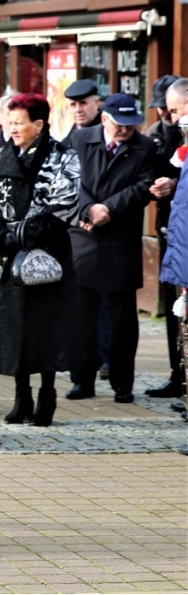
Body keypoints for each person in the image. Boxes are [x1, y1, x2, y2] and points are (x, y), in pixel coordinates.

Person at [0, 93, 81, 426]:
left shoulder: (63, 157)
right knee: (12, 329)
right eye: (9, 122)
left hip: (48, 257)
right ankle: (21, 395)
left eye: (19, 123)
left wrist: (24, 233)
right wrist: (1, 235)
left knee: (46, 328)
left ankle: (47, 393)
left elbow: (65, 204)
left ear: (38, 125)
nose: (12, 129)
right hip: (7, 258)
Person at [66, 94, 158, 403]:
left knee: (122, 320)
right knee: (81, 315)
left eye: (131, 126)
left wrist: (107, 209)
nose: (126, 131)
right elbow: (68, 182)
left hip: (120, 238)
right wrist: (88, 209)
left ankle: (122, 383)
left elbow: (144, 187)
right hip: (84, 237)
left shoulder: (145, 147)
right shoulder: (80, 139)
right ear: (104, 119)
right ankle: (82, 379)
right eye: (120, 125)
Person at [147, 77, 186, 399]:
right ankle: (178, 375)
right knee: (175, 312)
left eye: (172, 109)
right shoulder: (158, 134)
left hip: (179, 234)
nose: (168, 116)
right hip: (171, 232)